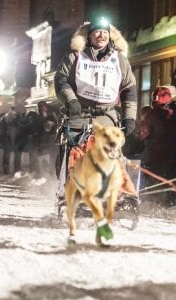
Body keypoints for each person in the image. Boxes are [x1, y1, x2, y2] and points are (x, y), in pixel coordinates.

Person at [54, 16, 138, 212]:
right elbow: (61, 81)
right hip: (78, 114)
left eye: (105, 33)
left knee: (112, 156)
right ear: (89, 35)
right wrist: (71, 101)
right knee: (76, 153)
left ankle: (121, 195)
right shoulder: (75, 56)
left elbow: (129, 89)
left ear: (110, 36)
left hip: (107, 116)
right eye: (97, 32)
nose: (101, 36)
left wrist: (129, 117)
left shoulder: (120, 60)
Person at [139, 86, 176, 208]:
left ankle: (154, 204)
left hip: (155, 154)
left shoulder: (153, 113)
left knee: (155, 179)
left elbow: (143, 133)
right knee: (170, 177)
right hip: (172, 153)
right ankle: (171, 203)